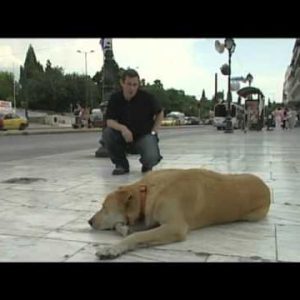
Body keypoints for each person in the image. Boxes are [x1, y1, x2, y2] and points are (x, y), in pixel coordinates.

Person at [102, 69, 164, 175]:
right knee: (108, 133)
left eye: (135, 85)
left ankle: (147, 165)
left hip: (144, 136)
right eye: (129, 84)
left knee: (151, 156)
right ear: (122, 83)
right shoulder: (115, 98)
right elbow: (109, 121)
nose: (132, 88)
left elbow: (160, 112)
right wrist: (123, 129)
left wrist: (154, 132)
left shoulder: (147, 98)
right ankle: (121, 165)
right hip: (124, 137)